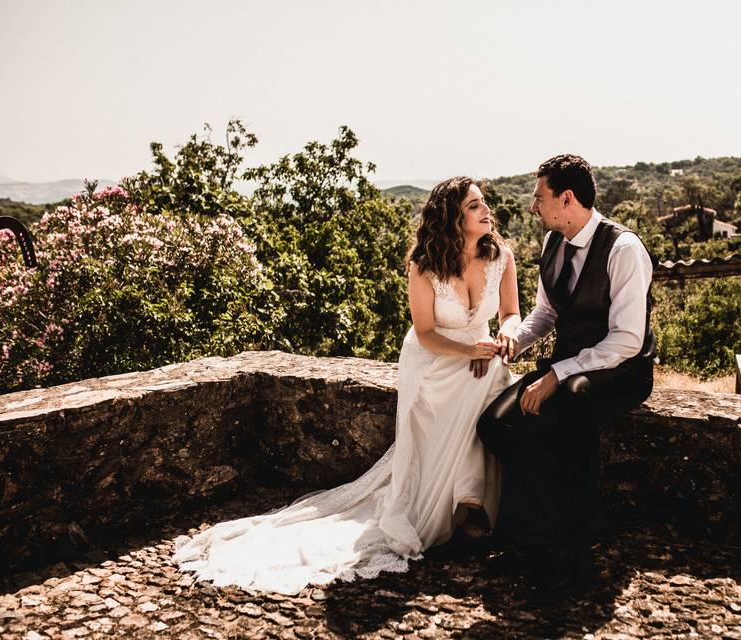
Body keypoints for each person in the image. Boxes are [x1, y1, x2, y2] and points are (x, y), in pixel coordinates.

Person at [174, 177, 520, 593]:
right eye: (473, 206)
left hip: (482, 353)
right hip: (435, 360)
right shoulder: (424, 265)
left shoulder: (501, 256)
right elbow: (425, 333)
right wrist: (468, 354)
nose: (486, 211)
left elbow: (512, 313)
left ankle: (469, 503)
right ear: (452, 216)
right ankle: (465, 509)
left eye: (483, 204)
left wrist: (503, 338)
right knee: (473, 386)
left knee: (493, 383)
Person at [477, 154, 655, 600]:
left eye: (540, 198)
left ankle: (571, 556)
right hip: (568, 366)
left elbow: (627, 341)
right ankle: (549, 524)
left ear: (567, 198)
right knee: (495, 425)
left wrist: (557, 373)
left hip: (622, 372)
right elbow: (548, 313)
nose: (534, 207)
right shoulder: (553, 243)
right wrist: (514, 341)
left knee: (572, 405)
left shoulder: (624, 250)